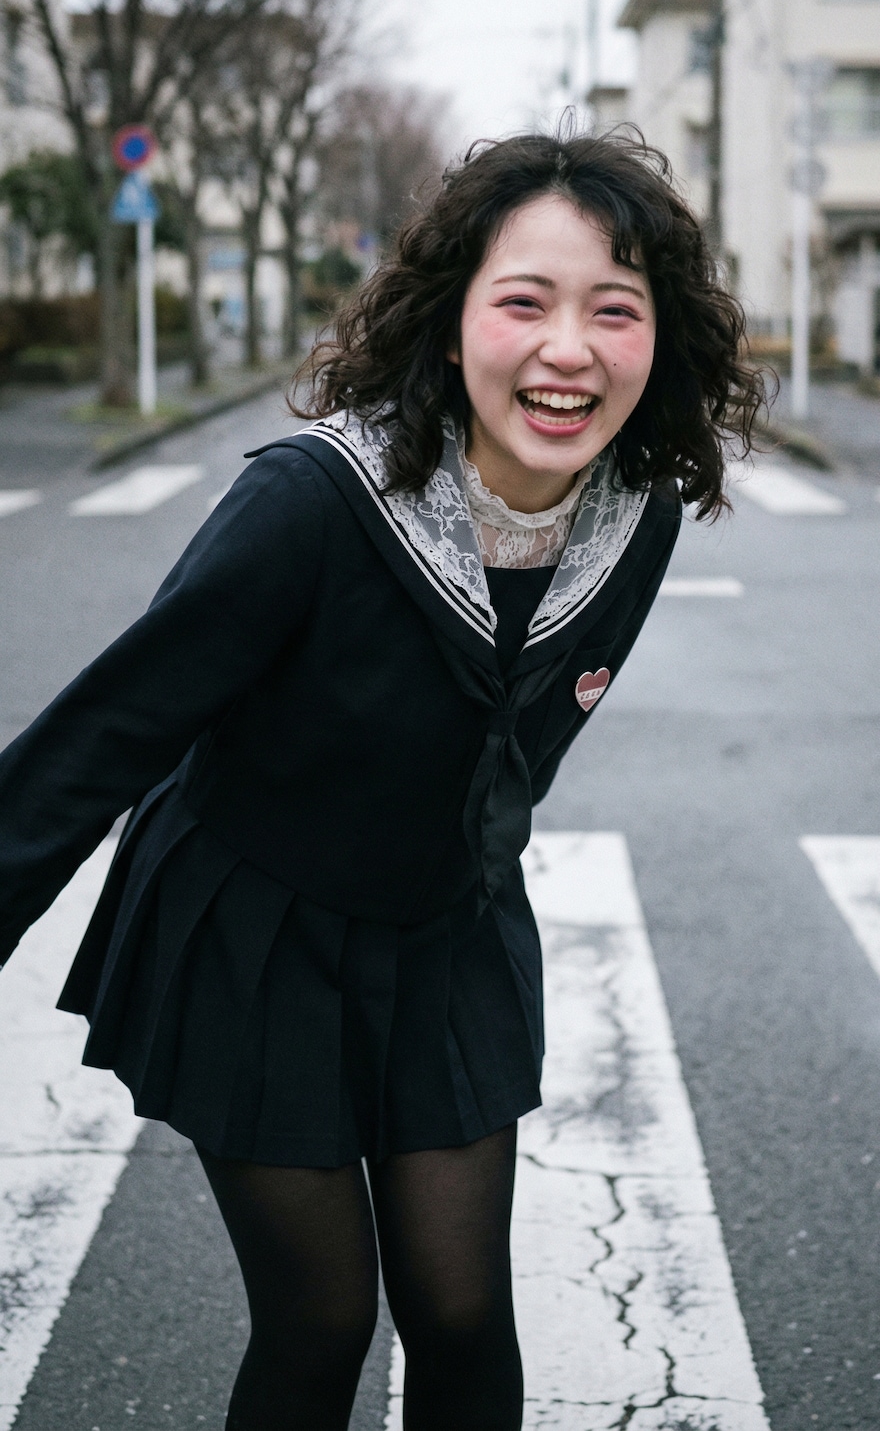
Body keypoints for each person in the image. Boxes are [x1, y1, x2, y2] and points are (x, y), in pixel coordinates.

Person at [0, 128, 765, 1430]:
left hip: (447, 934)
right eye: (524, 302)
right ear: (452, 318)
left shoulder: (630, 518)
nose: (567, 349)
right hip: (259, 930)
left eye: (613, 311)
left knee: (465, 1317)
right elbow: (110, 731)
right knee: (319, 1319)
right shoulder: (315, 501)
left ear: (662, 338)